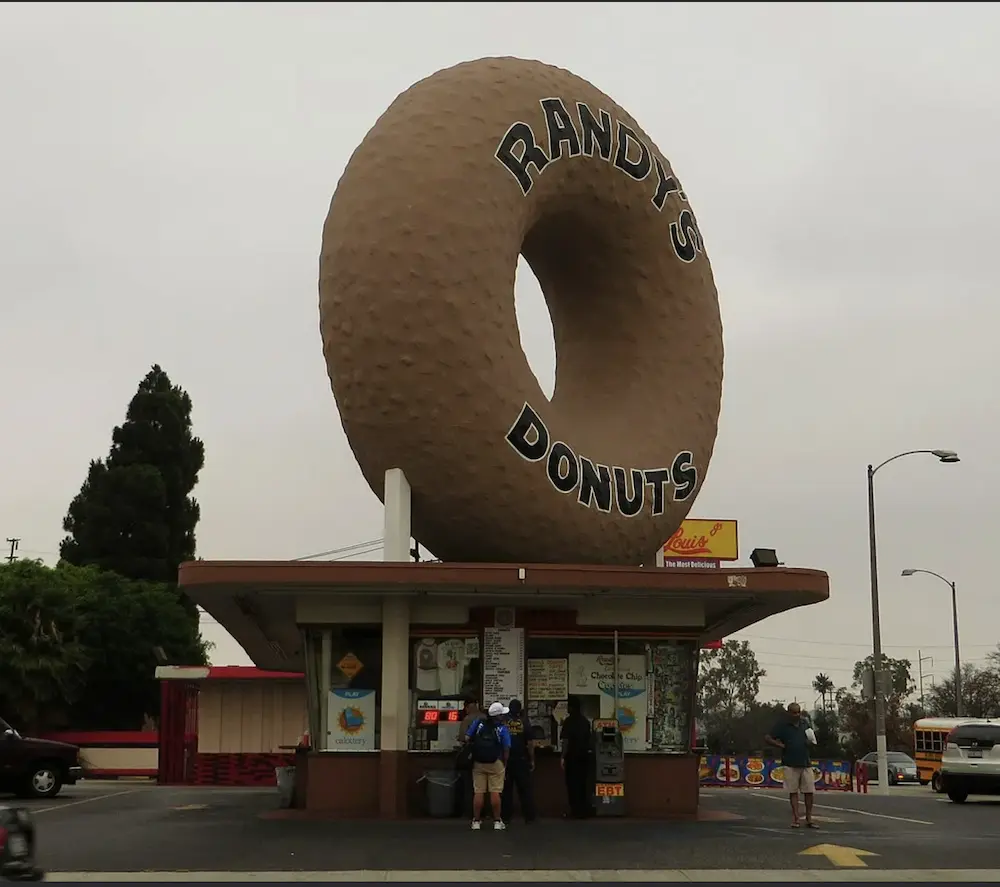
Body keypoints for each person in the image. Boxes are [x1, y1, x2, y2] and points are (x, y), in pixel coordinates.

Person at [765, 702, 818, 829]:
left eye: (799, 712)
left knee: (809, 791)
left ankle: (809, 818)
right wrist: (780, 745)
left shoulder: (805, 723)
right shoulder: (782, 725)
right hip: (790, 762)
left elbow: (811, 737)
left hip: (805, 762)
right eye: (794, 712)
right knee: (793, 791)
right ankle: (795, 818)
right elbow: (768, 737)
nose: (797, 715)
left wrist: (810, 742)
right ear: (788, 713)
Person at [463, 701, 511, 830]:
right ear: (498, 716)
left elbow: (467, 738)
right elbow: (506, 748)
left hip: (478, 762)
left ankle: (476, 821)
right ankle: (497, 821)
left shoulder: (478, 723)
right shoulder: (502, 728)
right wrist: (504, 763)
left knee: (478, 792)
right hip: (496, 762)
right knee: (495, 792)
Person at [501, 699, 536, 825]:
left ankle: (505, 817)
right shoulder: (524, 722)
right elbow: (530, 743)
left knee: (506, 790)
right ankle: (529, 817)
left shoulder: (504, 722)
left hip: (507, 760)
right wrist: (532, 759)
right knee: (525, 790)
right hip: (521, 760)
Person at [559, 695, 592, 819]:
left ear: (572, 707)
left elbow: (566, 741)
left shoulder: (569, 722)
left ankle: (575, 810)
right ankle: (583, 810)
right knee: (583, 783)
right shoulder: (585, 722)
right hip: (584, 757)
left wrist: (562, 756)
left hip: (572, 758)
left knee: (572, 784)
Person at [454, 698, 480, 817]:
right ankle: (485, 811)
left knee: (469, 785)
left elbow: (462, 737)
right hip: (486, 758)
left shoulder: (468, 719)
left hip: (470, 757)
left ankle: (470, 812)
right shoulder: (485, 718)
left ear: (468, 707)